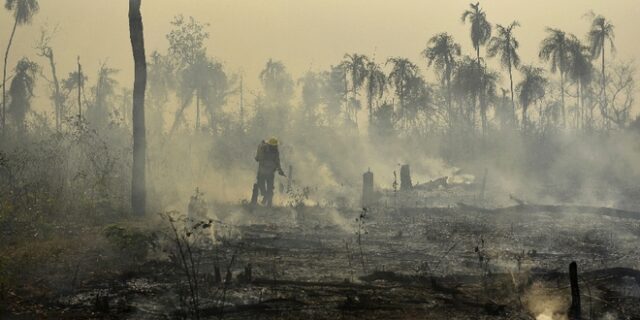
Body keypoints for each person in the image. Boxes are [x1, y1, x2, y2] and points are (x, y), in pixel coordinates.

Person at [254, 137, 285, 206]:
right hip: (263, 171)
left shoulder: (275, 151)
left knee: (270, 188)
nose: (275, 147)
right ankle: (265, 196)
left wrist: (280, 170)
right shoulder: (263, 149)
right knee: (261, 185)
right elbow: (259, 158)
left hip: (270, 172)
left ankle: (269, 203)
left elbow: (277, 161)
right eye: (274, 146)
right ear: (270, 145)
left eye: (275, 146)